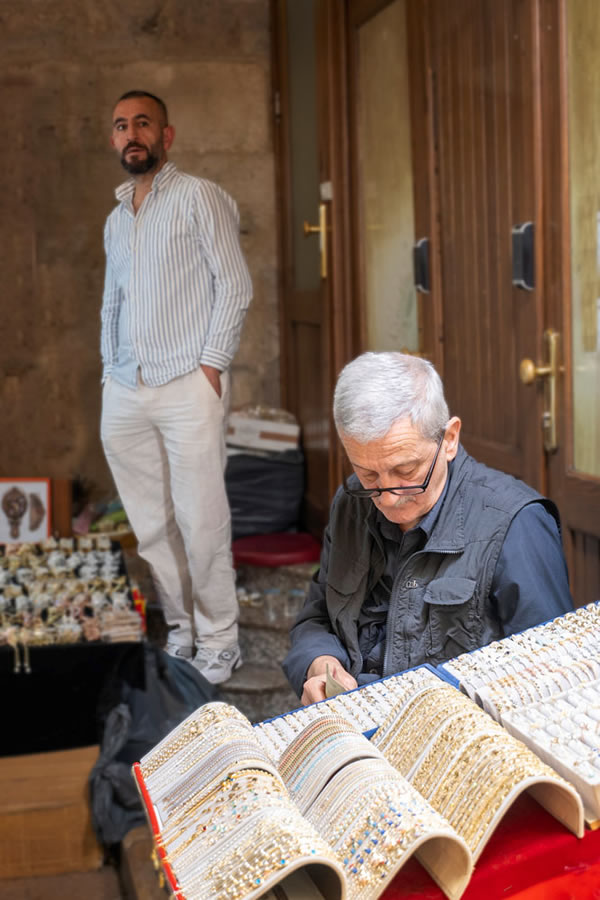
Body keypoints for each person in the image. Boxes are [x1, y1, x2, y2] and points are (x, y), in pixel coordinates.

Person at [283, 351, 573, 704]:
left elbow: (552, 677)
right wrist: (319, 663)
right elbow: (316, 617)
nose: (388, 498)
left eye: (406, 471)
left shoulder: (516, 524)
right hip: (354, 716)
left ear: (449, 439)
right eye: (368, 473)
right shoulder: (351, 502)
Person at [100, 90, 252, 684]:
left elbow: (234, 284)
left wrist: (212, 364)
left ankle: (220, 640)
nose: (131, 134)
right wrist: (108, 367)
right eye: (121, 126)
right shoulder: (117, 220)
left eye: (143, 123)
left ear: (166, 135)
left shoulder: (198, 196)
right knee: (150, 525)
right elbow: (112, 302)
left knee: (200, 517)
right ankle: (184, 632)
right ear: (114, 140)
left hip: (188, 379)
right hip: (124, 386)